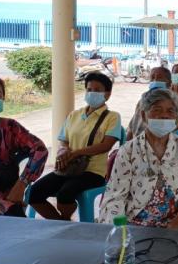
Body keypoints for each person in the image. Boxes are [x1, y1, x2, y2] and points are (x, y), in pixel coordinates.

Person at [99, 88, 178, 229]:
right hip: (135, 222)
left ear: (176, 118)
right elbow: (116, 195)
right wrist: (119, 229)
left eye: (170, 111)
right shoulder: (128, 150)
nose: (164, 116)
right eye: (157, 110)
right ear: (143, 115)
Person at [29, 72, 122, 220]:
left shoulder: (112, 117)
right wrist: (64, 151)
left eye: (97, 90)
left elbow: (106, 145)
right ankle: (61, 222)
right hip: (69, 168)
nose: (92, 93)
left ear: (107, 94)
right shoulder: (75, 115)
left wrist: (76, 153)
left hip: (93, 172)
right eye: (89, 89)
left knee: (66, 193)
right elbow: (63, 140)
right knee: (34, 192)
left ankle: (64, 221)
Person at [0, 76, 48, 217]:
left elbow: (39, 149)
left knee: (14, 219)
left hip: (1, 199)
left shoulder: (9, 128)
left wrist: (22, 184)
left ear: (3, 99)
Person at [128, 66, 172, 140]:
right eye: (152, 78)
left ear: (169, 83)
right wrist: (126, 144)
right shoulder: (143, 99)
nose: (155, 80)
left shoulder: (172, 102)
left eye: (159, 77)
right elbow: (132, 126)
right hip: (137, 142)